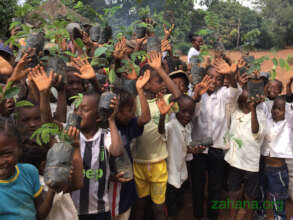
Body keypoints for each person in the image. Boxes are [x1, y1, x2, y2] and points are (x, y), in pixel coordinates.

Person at [191, 59, 243, 220]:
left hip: (217, 149)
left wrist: (231, 75)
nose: (214, 81)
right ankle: (198, 216)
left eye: (219, 78)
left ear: (223, 82)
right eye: (210, 77)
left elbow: (235, 92)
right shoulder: (197, 93)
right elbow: (190, 116)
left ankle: (212, 217)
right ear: (204, 77)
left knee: (215, 188)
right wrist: (196, 97)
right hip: (198, 148)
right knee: (197, 187)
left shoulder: (224, 94)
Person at [132, 51, 181, 220]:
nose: (163, 84)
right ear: (145, 84)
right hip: (138, 162)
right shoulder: (135, 102)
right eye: (159, 81)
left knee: (159, 208)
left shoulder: (165, 99)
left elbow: (178, 95)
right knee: (139, 206)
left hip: (159, 163)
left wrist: (160, 70)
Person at [71, 90, 123, 220]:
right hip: (72, 208)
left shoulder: (106, 135)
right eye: (76, 109)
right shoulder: (71, 136)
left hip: (99, 210)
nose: (78, 113)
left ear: (98, 116)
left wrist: (111, 120)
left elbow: (116, 151)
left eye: (84, 110)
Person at [109, 71, 151, 220]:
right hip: (111, 190)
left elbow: (145, 117)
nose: (133, 114)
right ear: (116, 112)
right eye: (130, 110)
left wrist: (139, 90)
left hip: (126, 190)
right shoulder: (105, 131)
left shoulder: (127, 125)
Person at [0, 117, 55, 219]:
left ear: (19, 149)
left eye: (7, 154)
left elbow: (40, 215)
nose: (1, 161)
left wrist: (52, 190)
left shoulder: (29, 172)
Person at [224, 90, 266, 220]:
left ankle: (248, 217)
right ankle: (232, 217)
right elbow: (233, 93)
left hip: (251, 165)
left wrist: (253, 110)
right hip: (235, 161)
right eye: (244, 100)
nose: (247, 103)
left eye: (250, 101)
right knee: (233, 193)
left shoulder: (260, 115)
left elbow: (256, 131)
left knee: (250, 196)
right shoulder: (235, 112)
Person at [157, 94, 195, 220]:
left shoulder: (187, 127)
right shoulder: (170, 126)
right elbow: (161, 131)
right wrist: (162, 116)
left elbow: (187, 146)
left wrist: (195, 150)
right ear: (176, 109)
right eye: (184, 111)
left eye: (191, 113)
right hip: (170, 176)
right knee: (170, 209)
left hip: (181, 174)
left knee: (179, 206)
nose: (187, 116)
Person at [257, 96, 293, 220]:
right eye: (274, 108)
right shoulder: (266, 121)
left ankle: (279, 217)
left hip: (277, 171)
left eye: (280, 109)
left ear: (286, 111)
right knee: (260, 193)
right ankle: (260, 215)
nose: (276, 111)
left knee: (277, 198)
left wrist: (288, 88)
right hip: (262, 166)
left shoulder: (288, 123)